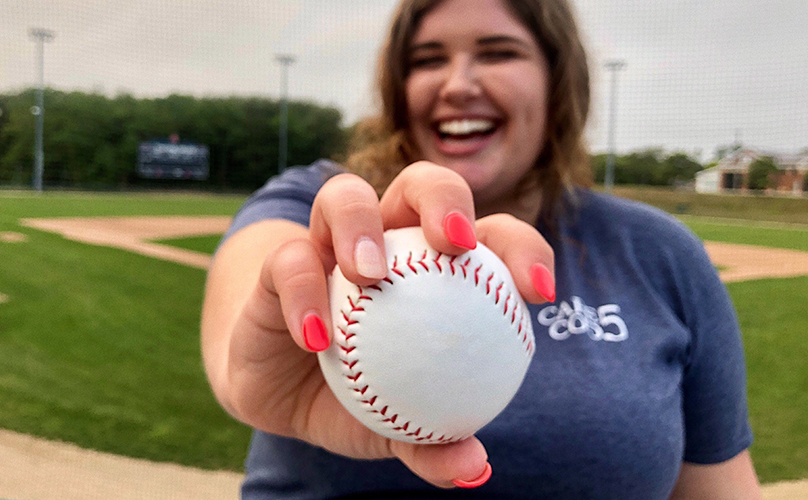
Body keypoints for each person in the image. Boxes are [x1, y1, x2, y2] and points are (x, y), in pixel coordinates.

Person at [201, 0, 763, 497]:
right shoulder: (316, 209)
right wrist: (257, 368)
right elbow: (246, 314)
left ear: (556, 79)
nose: (457, 84)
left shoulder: (658, 253)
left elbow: (720, 487)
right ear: (399, 88)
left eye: (497, 52)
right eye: (427, 59)